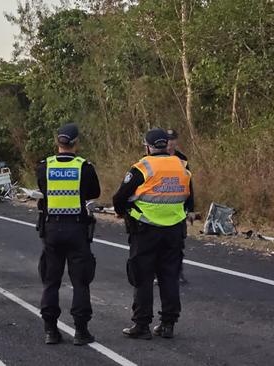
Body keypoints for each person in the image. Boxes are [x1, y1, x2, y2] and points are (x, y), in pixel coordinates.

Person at [113, 128, 193, 340]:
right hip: (174, 230)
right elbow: (189, 201)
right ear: (166, 145)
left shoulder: (143, 167)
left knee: (143, 278)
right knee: (170, 277)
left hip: (145, 230)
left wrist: (123, 213)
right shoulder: (182, 166)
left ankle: (142, 325)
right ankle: (168, 324)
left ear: (148, 146)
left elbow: (119, 197)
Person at [35, 122, 100, 346]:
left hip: (52, 229)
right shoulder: (85, 166)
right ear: (76, 143)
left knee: (51, 281)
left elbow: (43, 189)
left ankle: (51, 331)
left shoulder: (45, 166)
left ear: (57, 142)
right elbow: (94, 192)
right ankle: (81, 331)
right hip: (77, 229)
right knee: (81, 281)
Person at [166, 129, 192, 285]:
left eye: (173, 139)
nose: (170, 143)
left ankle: (178, 271)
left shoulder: (182, 159)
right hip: (158, 207)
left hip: (178, 207)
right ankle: (158, 273)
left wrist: (191, 207)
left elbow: (189, 184)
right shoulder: (151, 158)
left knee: (178, 242)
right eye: (168, 139)